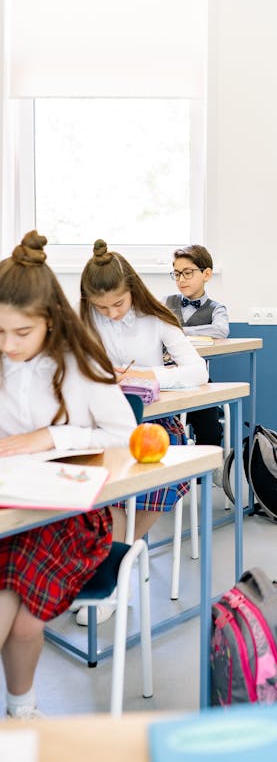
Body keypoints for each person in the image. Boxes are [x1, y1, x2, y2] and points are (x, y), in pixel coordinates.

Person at [0, 230, 135, 719]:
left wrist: (52, 438)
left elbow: (124, 435)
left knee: (14, 609)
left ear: (51, 322)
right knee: (15, 614)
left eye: (21, 334)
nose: (9, 346)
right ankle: (22, 709)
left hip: (65, 515)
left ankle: (21, 710)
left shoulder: (79, 363)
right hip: (8, 507)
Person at [80, 239, 207, 558]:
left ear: (133, 290)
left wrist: (148, 375)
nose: (111, 313)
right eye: (101, 307)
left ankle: (115, 560)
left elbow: (197, 372)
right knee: (108, 488)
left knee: (160, 474)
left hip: (153, 424)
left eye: (119, 304)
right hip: (104, 425)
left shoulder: (156, 318)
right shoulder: (85, 322)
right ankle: (114, 562)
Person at [164, 244, 229, 450]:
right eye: (177, 274)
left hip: (198, 380)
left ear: (207, 274)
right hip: (166, 377)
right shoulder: (166, 302)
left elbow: (220, 330)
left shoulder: (216, 308)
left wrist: (179, 331)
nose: (181, 279)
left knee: (210, 428)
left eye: (188, 273)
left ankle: (205, 473)